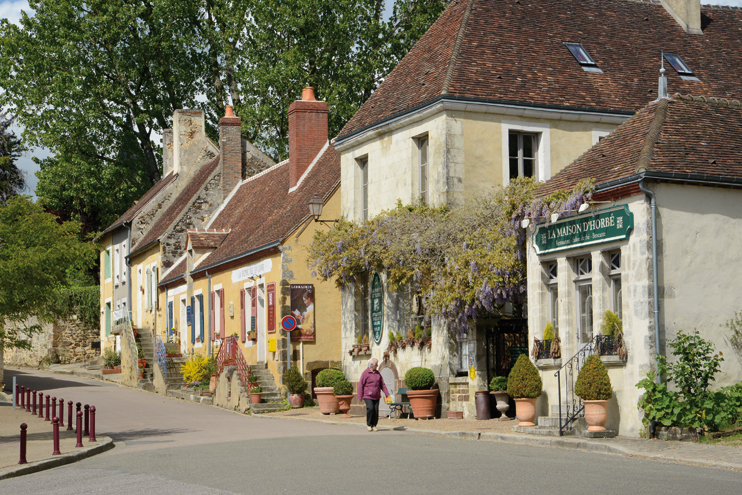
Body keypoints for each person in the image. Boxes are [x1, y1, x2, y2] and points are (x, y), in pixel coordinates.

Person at [357, 357, 390, 432]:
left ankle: (374, 425)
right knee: (370, 408)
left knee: (375, 411)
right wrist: (360, 395)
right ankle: (369, 424)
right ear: (372, 365)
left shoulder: (378, 373)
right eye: (376, 364)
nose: (377, 365)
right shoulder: (365, 373)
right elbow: (361, 385)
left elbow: (382, 384)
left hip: (376, 395)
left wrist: (387, 394)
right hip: (368, 395)